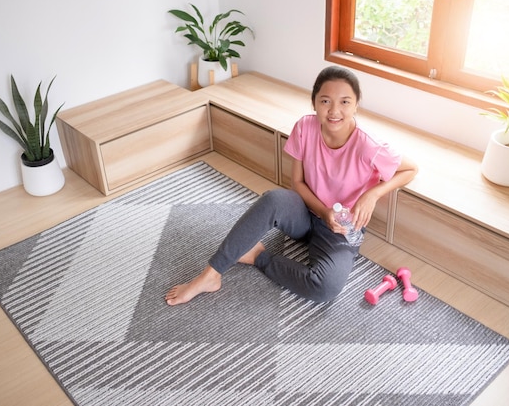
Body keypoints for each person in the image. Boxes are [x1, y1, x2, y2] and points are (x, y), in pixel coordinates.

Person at [165, 65, 418, 306]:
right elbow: (296, 182)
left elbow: (410, 169)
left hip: (341, 229)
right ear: (315, 102)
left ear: (356, 104)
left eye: (345, 102)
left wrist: (373, 194)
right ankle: (210, 274)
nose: (334, 110)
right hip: (305, 215)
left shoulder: (369, 145)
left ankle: (256, 255)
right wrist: (323, 211)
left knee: (324, 288)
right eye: (325, 100)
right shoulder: (305, 127)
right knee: (274, 199)